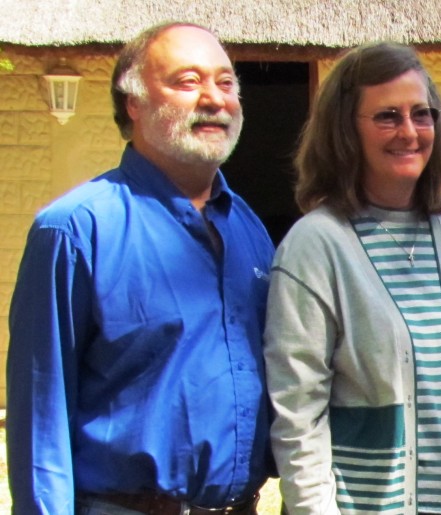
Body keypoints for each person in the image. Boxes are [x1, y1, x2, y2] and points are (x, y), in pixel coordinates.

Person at [6, 22, 273, 515]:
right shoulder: (75, 230)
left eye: (226, 82)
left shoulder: (249, 230)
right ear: (134, 102)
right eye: (187, 81)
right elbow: (40, 409)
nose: (214, 99)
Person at [262, 42, 441, 515]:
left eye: (421, 114)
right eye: (387, 116)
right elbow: (298, 417)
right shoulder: (317, 245)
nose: (409, 131)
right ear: (346, 129)